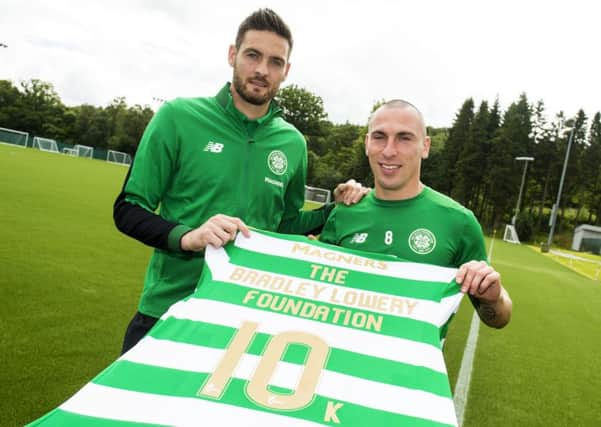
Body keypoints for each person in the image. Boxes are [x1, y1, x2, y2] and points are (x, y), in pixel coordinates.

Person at [114, 8, 367, 354]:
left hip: (246, 320)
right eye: (253, 55)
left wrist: (334, 207)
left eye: (275, 62)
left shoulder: (293, 143)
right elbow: (128, 208)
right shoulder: (178, 116)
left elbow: (285, 224)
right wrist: (189, 237)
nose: (262, 70)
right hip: (168, 312)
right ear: (232, 55)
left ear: (286, 71)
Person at [319, 99, 512, 328]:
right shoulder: (344, 213)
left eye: (404, 138)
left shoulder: (458, 221)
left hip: (410, 363)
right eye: (380, 137)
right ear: (367, 144)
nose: (389, 151)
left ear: (425, 146)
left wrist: (494, 297)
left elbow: (497, 318)